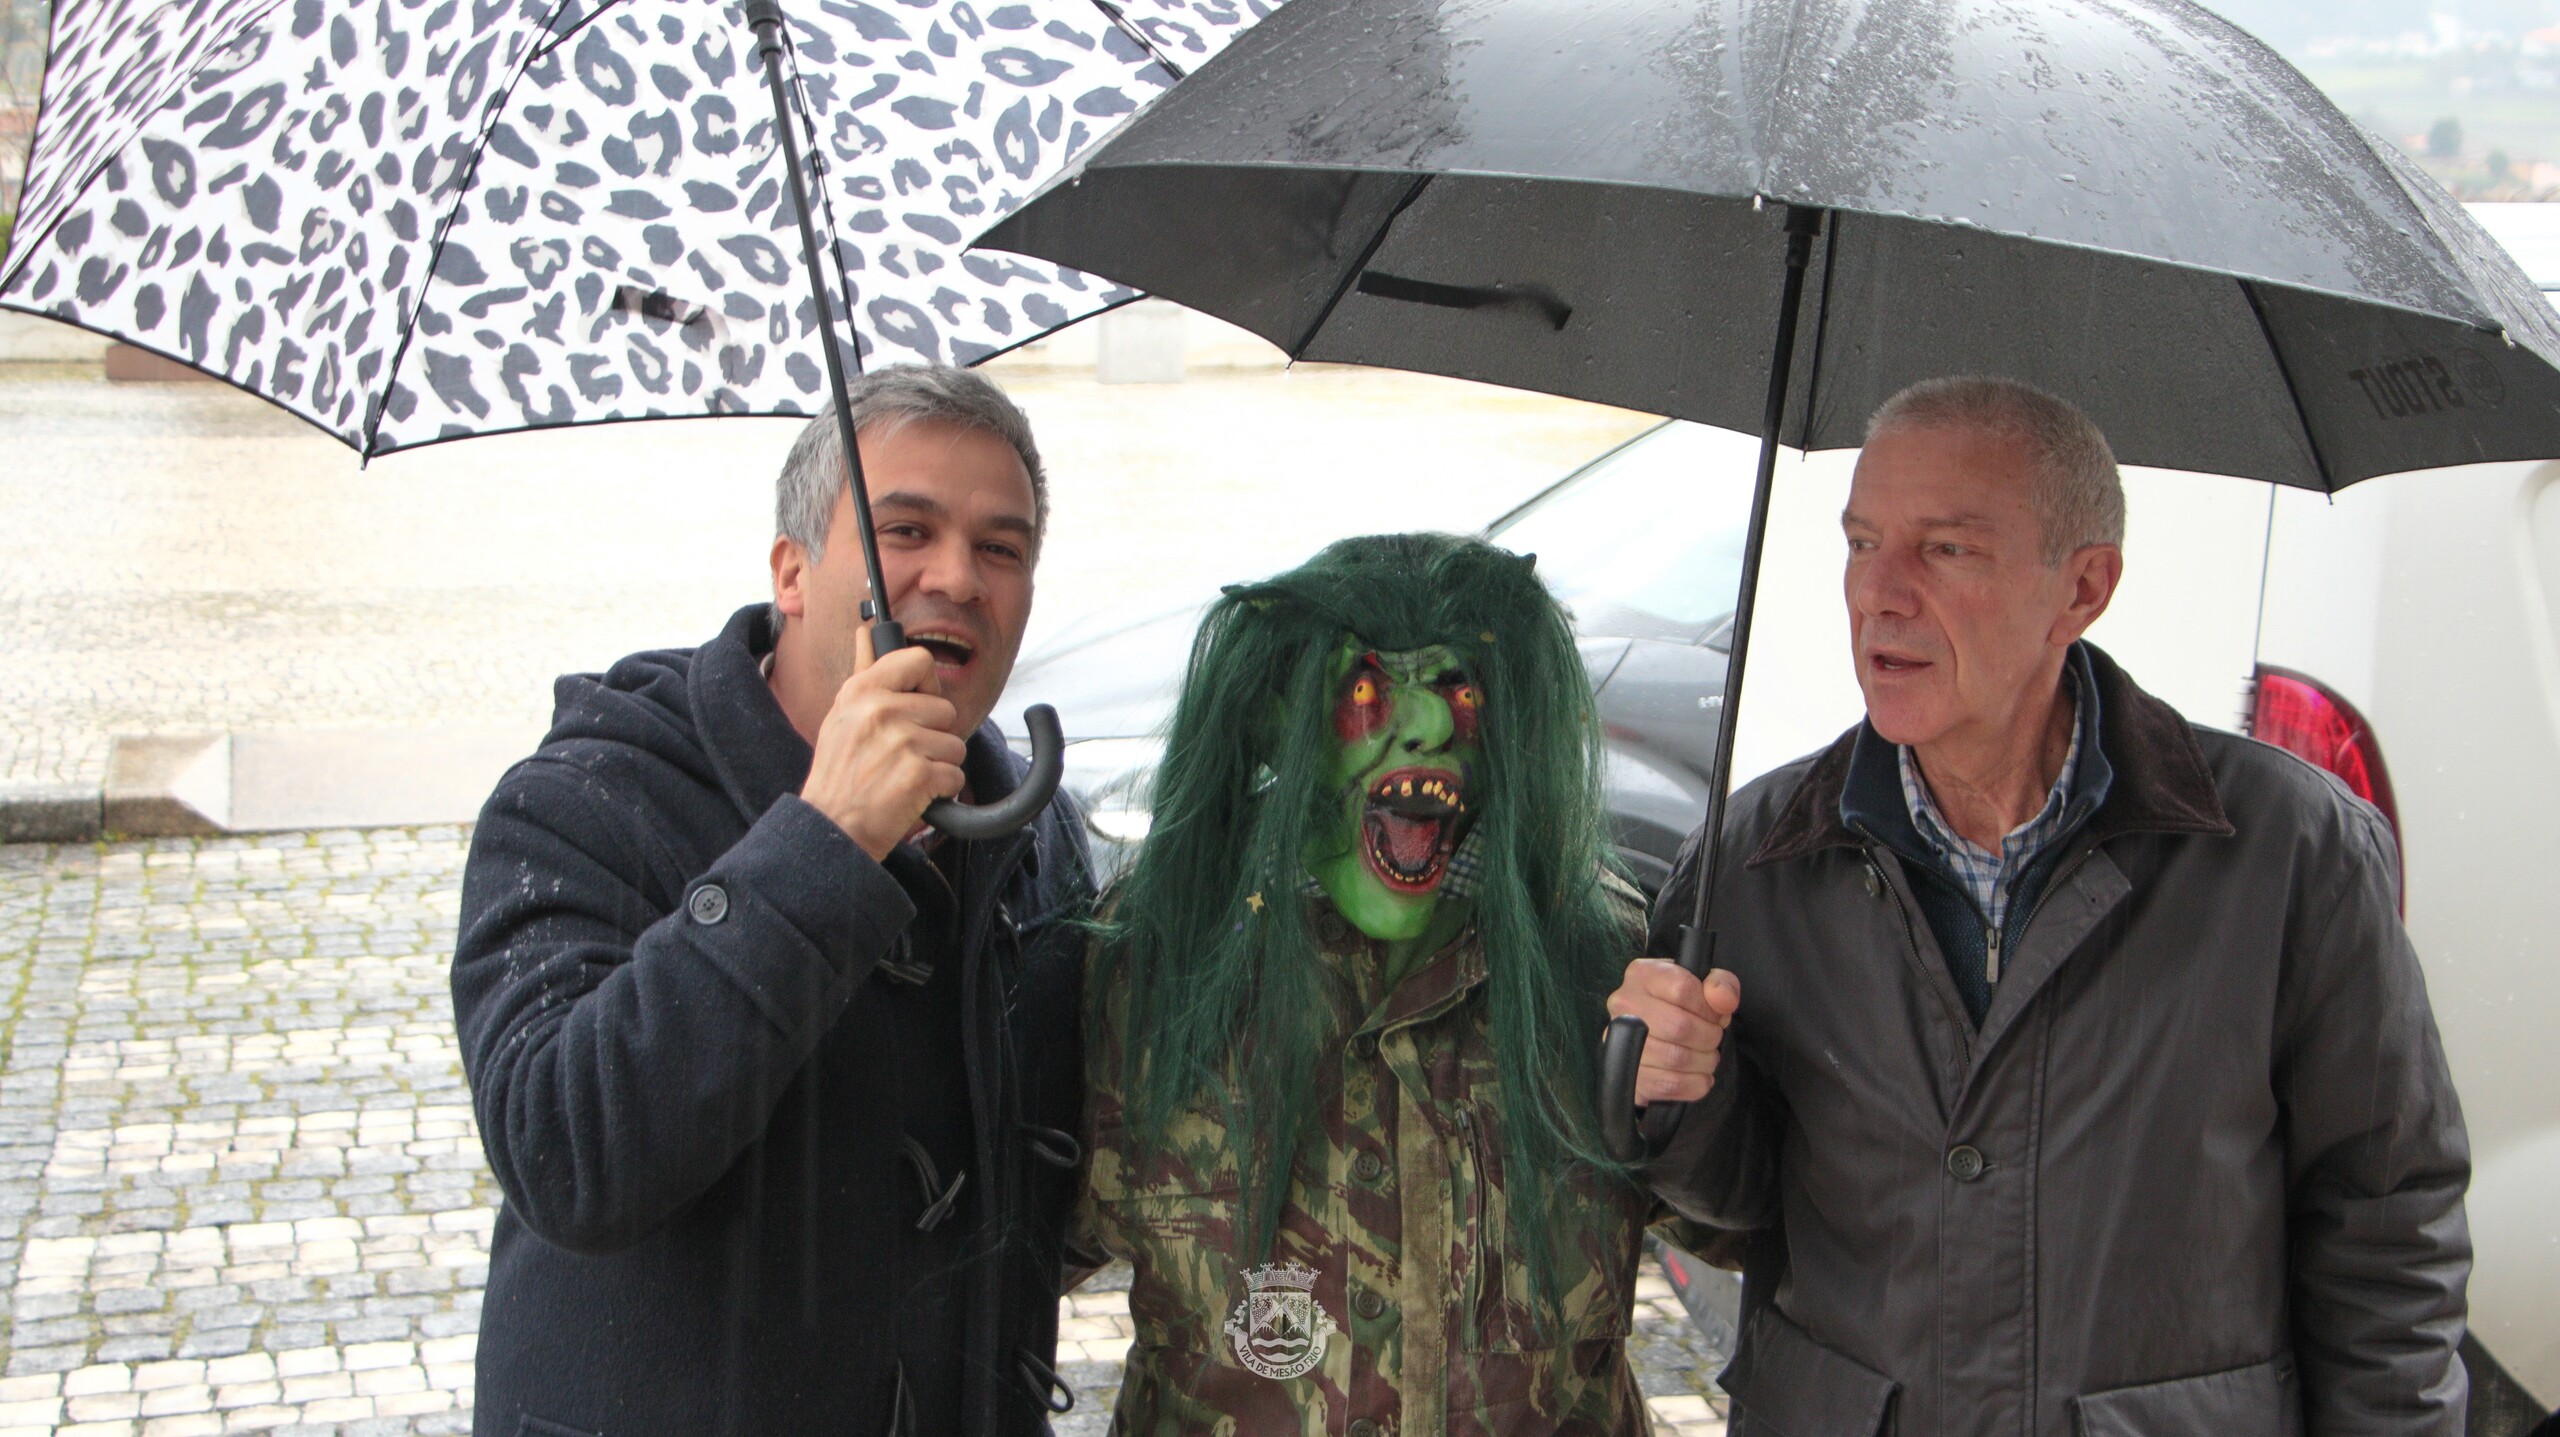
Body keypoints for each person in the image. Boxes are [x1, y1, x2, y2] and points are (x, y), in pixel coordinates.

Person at [1607, 377, 2471, 1437]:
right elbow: (1744, 1208)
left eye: (1945, 549)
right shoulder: (1759, 855)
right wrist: (1676, 1097)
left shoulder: (2291, 852)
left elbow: (2385, 1235)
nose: (1880, 592)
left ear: (2082, 589)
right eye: (1862, 541)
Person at [451, 365, 1091, 1437]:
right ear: (792, 574)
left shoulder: (1033, 830)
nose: (957, 577)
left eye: (1001, 548)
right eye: (906, 531)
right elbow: (566, 1155)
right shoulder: (587, 798)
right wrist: (826, 840)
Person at [1079, 532, 1671, 1436]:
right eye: (1364, 690)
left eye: (1460, 689)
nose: (1427, 724)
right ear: (1276, 716)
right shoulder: (1150, 963)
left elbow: (1746, 1220)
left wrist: (1704, 1096)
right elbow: (1008, 1247)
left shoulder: (1601, 962)